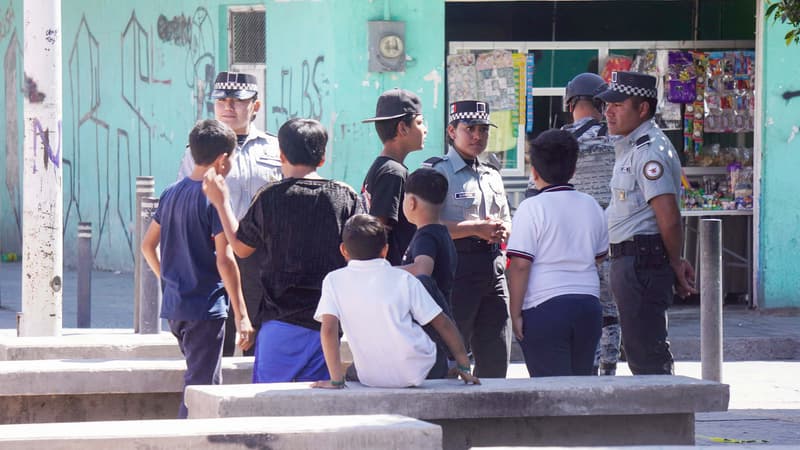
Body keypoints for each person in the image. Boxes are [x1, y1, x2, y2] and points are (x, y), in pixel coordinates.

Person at [202, 118, 360, 383]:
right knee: (320, 408)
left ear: (282, 155)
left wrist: (222, 203)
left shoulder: (270, 197)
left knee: (269, 408)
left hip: (279, 324)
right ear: (322, 159)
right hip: (329, 325)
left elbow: (240, 249)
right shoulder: (346, 196)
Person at [141, 119, 255, 418]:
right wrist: (242, 315)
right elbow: (226, 258)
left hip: (177, 309)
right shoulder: (213, 200)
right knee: (201, 392)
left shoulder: (171, 192)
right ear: (223, 159)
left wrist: (167, 280)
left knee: (197, 380)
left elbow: (146, 246)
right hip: (205, 310)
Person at [595, 71, 697, 375]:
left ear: (642, 109)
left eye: (618, 104)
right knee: (640, 351)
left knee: (647, 355)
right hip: (631, 260)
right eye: (606, 105)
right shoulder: (630, 147)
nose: (608, 111)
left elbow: (669, 218)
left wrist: (676, 262)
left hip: (642, 261)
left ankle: (666, 420)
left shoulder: (650, 150)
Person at [178, 71, 281, 357]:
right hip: (215, 255)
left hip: (263, 258)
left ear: (255, 106)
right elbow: (189, 201)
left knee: (260, 339)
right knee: (214, 339)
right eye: (221, 101)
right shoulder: (196, 152)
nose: (228, 107)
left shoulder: (276, 148)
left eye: (237, 101)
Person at [311, 214, 479, 389]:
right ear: (385, 250)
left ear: (344, 250)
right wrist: (464, 365)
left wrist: (336, 380)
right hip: (418, 371)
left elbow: (329, 330)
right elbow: (443, 323)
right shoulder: (403, 279)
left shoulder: (333, 280)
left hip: (370, 377)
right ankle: (450, 366)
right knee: (426, 303)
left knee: (353, 372)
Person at [507, 129, 608, 377]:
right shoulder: (591, 205)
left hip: (544, 308)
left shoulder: (531, 208)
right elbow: (600, 255)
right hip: (588, 305)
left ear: (534, 172)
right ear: (573, 170)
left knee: (551, 392)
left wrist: (515, 312)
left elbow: (520, 265)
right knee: (581, 384)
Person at [424, 100, 512, 378]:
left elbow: (507, 218)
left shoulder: (492, 174)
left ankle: (497, 416)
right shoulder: (437, 171)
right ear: (452, 131)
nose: (477, 136)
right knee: (451, 354)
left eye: (483, 130)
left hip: (493, 268)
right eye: (470, 129)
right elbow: (427, 224)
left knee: (497, 352)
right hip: (457, 268)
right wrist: (474, 229)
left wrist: (502, 230)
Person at [562, 72, 621, 376]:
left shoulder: (561, 141)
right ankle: (608, 371)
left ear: (570, 102)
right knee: (611, 313)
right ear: (602, 102)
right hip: (616, 239)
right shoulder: (619, 138)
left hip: (573, 243)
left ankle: (588, 369)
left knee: (584, 309)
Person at [398, 168, 459, 377]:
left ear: (411, 202)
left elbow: (423, 270)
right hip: (441, 326)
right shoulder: (440, 232)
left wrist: (386, 271)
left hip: (431, 333)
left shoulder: (426, 236)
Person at [361, 88, 428, 265]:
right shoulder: (393, 173)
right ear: (402, 128)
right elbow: (378, 232)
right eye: (420, 123)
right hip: (391, 273)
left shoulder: (386, 167)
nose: (425, 130)